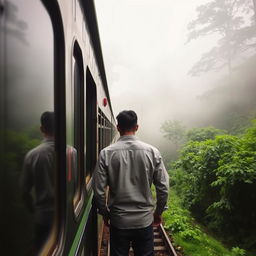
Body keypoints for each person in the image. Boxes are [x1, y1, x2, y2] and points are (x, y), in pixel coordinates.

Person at [93, 110, 169, 256]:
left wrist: (105, 213)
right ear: (137, 127)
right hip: (144, 221)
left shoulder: (106, 153)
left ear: (118, 127)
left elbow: (99, 191)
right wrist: (158, 212)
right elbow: (163, 188)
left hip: (119, 221)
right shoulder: (152, 152)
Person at [20, 111, 55, 253]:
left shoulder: (32, 155)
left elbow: (24, 191)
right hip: (66, 214)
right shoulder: (72, 152)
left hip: (42, 218)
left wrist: (35, 210)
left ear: (42, 129)